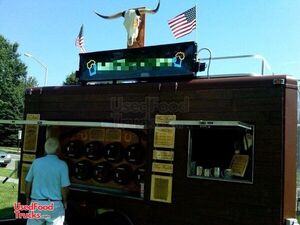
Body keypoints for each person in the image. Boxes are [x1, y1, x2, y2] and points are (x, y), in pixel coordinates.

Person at [25, 137, 70, 225]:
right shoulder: (62, 165)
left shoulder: (36, 162)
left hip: (37, 203)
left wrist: (27, 198)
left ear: (45, 150)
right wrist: (65, 201)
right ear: (58, 149)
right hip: (55, 205)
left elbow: (28, 181)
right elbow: (64, 187)